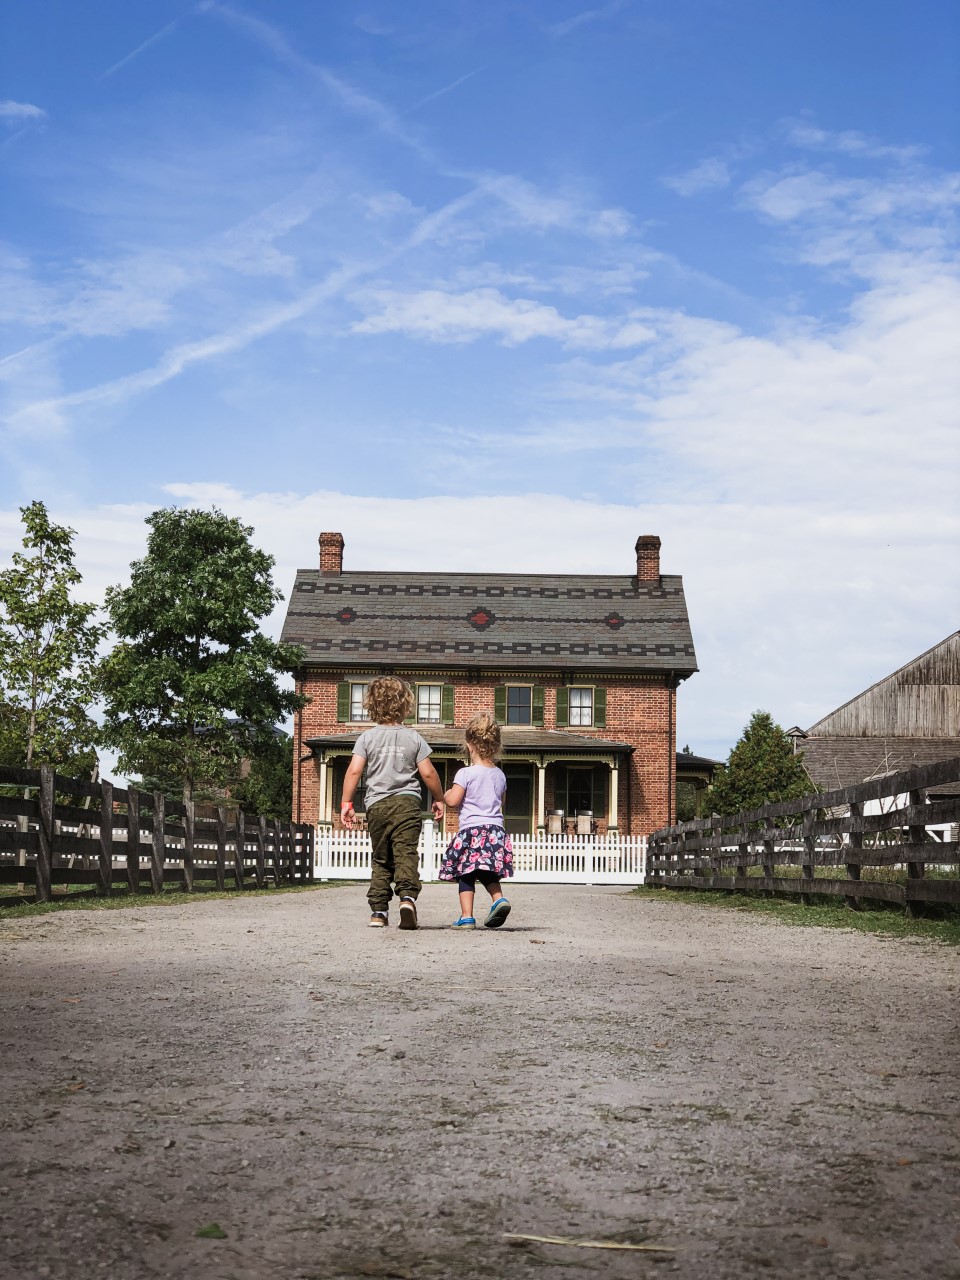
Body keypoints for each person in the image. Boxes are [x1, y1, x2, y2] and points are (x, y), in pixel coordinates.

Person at [340, 676, 444, 930]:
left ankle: (378, 911)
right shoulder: (414, 738)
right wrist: (439, 798)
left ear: (372, 705)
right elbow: (428, 773)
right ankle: (407, 899)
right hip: (407, 804)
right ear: (406, 705)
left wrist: (346, 803)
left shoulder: (367, 738)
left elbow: (354, 771)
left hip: (377, 806)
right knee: (406, 853)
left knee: (381, 857)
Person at [439, 711, 514, 930]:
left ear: (470, 745)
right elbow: (501, 802)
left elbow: (453, 800)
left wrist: (442, 795)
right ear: (495, 746)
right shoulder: (500, 775)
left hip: (472, 831)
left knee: (466, 872)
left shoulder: (465, 773)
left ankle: (466, 917)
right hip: (494, 831)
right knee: (487, 871)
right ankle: (498, 899)